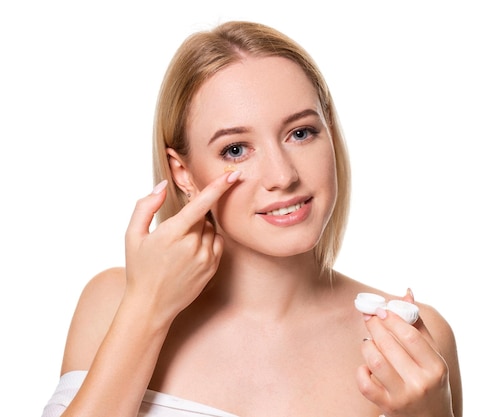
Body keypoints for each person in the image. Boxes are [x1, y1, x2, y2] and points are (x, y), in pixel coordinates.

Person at [41, 21, 462, 417]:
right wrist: (147, 310)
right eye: (236, 149)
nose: (283, 176)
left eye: (301, 133)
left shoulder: (411, 341)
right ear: (182, 172)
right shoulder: (114, 302)